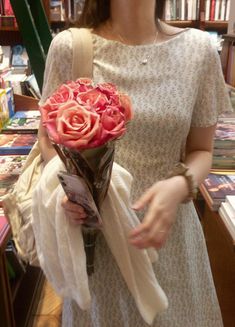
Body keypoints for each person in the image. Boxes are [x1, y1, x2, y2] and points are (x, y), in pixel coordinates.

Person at [38, 0, 232, 326]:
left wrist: (180, 184)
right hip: (100, 246)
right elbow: (48, 140)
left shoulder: (198, 52)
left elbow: (201, 150)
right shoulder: (71, 48)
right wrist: (72, 189)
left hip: (171, 238)